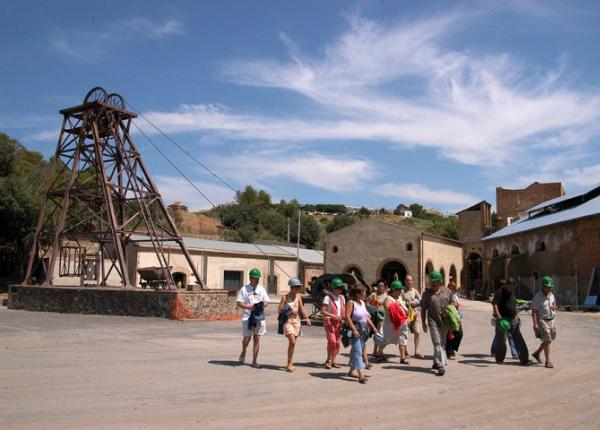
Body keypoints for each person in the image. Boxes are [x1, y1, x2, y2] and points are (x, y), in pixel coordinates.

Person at [491, 277, 530, 365]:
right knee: (501, 340)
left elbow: (512, 303)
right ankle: (500, 359)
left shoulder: (512, 292)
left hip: (513, 318)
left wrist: (517, 316)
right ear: (507, 285)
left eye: (514, 288)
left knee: (518, 339)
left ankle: (524, 359)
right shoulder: (499, 292)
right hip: (503, 320)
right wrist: (499, 318)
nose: (512, 289)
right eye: (511, 287)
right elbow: (495, 305)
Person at [237, 268, 270, 368]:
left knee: (257, 338)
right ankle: (243, 351)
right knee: (247, 338)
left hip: (259, 317)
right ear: (250, 278)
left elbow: (266, 302)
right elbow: (239, 303)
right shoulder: (244, 289)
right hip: (247, 317)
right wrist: (248, 307)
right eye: (255, 278)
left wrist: (262, 305)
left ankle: (254, 361)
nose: (257, 280)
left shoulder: (262, 289)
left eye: (258, 278)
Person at [345, 285, 378, 384]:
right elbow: (347, 316)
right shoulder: (351, 303)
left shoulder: (362, 303)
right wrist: (354, 329)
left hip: (363, 330)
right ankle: (360, 375)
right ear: (357, 293)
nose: (365, 294)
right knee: (358, 351)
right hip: (355, 330)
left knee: (358, 350)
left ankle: (351, 371)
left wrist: (373, 327)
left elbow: (366, 317)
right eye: (363, 292)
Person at [278, 277, 311, 373]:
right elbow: (279, 310)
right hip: (288, 321)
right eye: (295, 287)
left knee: (293, 344)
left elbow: (302, 308)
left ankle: (289, 362)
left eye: (298, 287)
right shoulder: (285, 297)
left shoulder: (298, 297)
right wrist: (285, 309)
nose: (297, 289)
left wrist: (307, 318)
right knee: (292, 342)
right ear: (291, 287)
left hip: (297, 322)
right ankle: (289, 363)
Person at [421, 271, 450, 376]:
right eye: (431, 282)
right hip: (432, 321)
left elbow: (453, 305)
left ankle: (435, 362)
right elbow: (423, 309)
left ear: (440, 281)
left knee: (442, 343)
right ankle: (440, 365)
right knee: (437, 343)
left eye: (435, 282)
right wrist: (423, 323)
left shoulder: (447, 292)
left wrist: (448, 313)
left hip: (445, 322)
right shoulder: (427, 294)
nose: (433, 284)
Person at [380, 280, 410, 364]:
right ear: (393, 290)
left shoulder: (399, 297)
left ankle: (402, 358)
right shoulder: (388, 298)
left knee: (403, 339)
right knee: (387, 339)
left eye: (400, 290)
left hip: (402, 323)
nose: (400, 291)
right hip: (391, 324)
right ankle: (379, 352)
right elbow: (386, 307)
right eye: (398, 290)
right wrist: (396, 306)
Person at [531, 276, 557, 368]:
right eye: (547, 287)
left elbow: (554, 304)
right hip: (542, 320)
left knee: (549, 340)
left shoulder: (551, 295)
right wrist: (535, 324)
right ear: (543, 286)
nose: (549, 288)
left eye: (550, 287)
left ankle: (537, 353)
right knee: (547, 340)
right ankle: (548, 361)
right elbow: (534, 311)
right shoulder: (537, 297)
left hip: (551, 319)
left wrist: (554, 307)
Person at [321, 277, 346, 369]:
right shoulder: (327, 297)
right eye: (338, 287)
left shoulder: (342, 298)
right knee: (332, 341)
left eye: (341, 287)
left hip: (339, 323)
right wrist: (333, 316)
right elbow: (322, 311)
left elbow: (343, 310)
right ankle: (328, 360)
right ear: (333, 288)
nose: (340, 289)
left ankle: (334, 361)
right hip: (329, 322)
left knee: (337, 343)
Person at [401, 274, 424, 358]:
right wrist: (407, 303)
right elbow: (399, 302)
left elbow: (421, 301)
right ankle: (405, 351)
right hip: (405, 315)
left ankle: (417, 351)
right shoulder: (402, 291)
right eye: (407, 280)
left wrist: (418, 310)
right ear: (405, 281)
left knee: (417, 332)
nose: (409, 282)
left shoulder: (414, 291)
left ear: (413, 281)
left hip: (414, 315)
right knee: (405, 333)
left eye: (410, 280)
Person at [368, 279, 387, 358]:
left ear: (385, 287)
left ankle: (376, 351)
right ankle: (378, 351)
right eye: (379, 286)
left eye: (382, 286)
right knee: (378, 333)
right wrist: (373, 307)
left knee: (380, 334)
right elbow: (367, 303)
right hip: (375, 317)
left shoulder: (386, 296)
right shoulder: (373, 295)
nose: (380, 287)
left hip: (384, 317)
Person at [445, 280, 463, 359]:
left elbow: (457, 304)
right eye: (451, 288)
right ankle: (449, 352)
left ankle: (453, 349)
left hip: (456, 317)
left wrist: (459, 307)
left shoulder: (455, 296)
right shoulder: (446, 295)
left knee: (459, 334)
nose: (453, 290)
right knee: (450, 335)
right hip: (450, 317)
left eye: (454, 288)